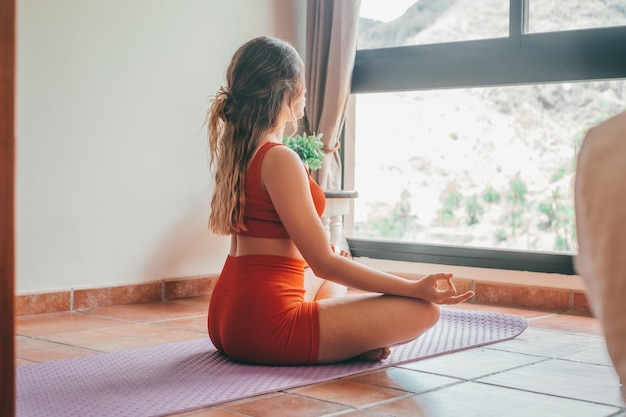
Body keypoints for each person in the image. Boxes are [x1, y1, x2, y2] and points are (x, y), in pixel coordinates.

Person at [206, 36, 474, 366]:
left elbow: (321, 264)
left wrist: (330, 262)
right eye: (303, 83)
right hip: (264, 326)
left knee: (334, 264)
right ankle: (350, 342)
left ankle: (349, 341)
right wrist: (414, 288)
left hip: (226, 317)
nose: (306, 93)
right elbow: (323, 263)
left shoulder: (241, 152)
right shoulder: (279, 159)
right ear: (288, 90)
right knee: (423, 311)